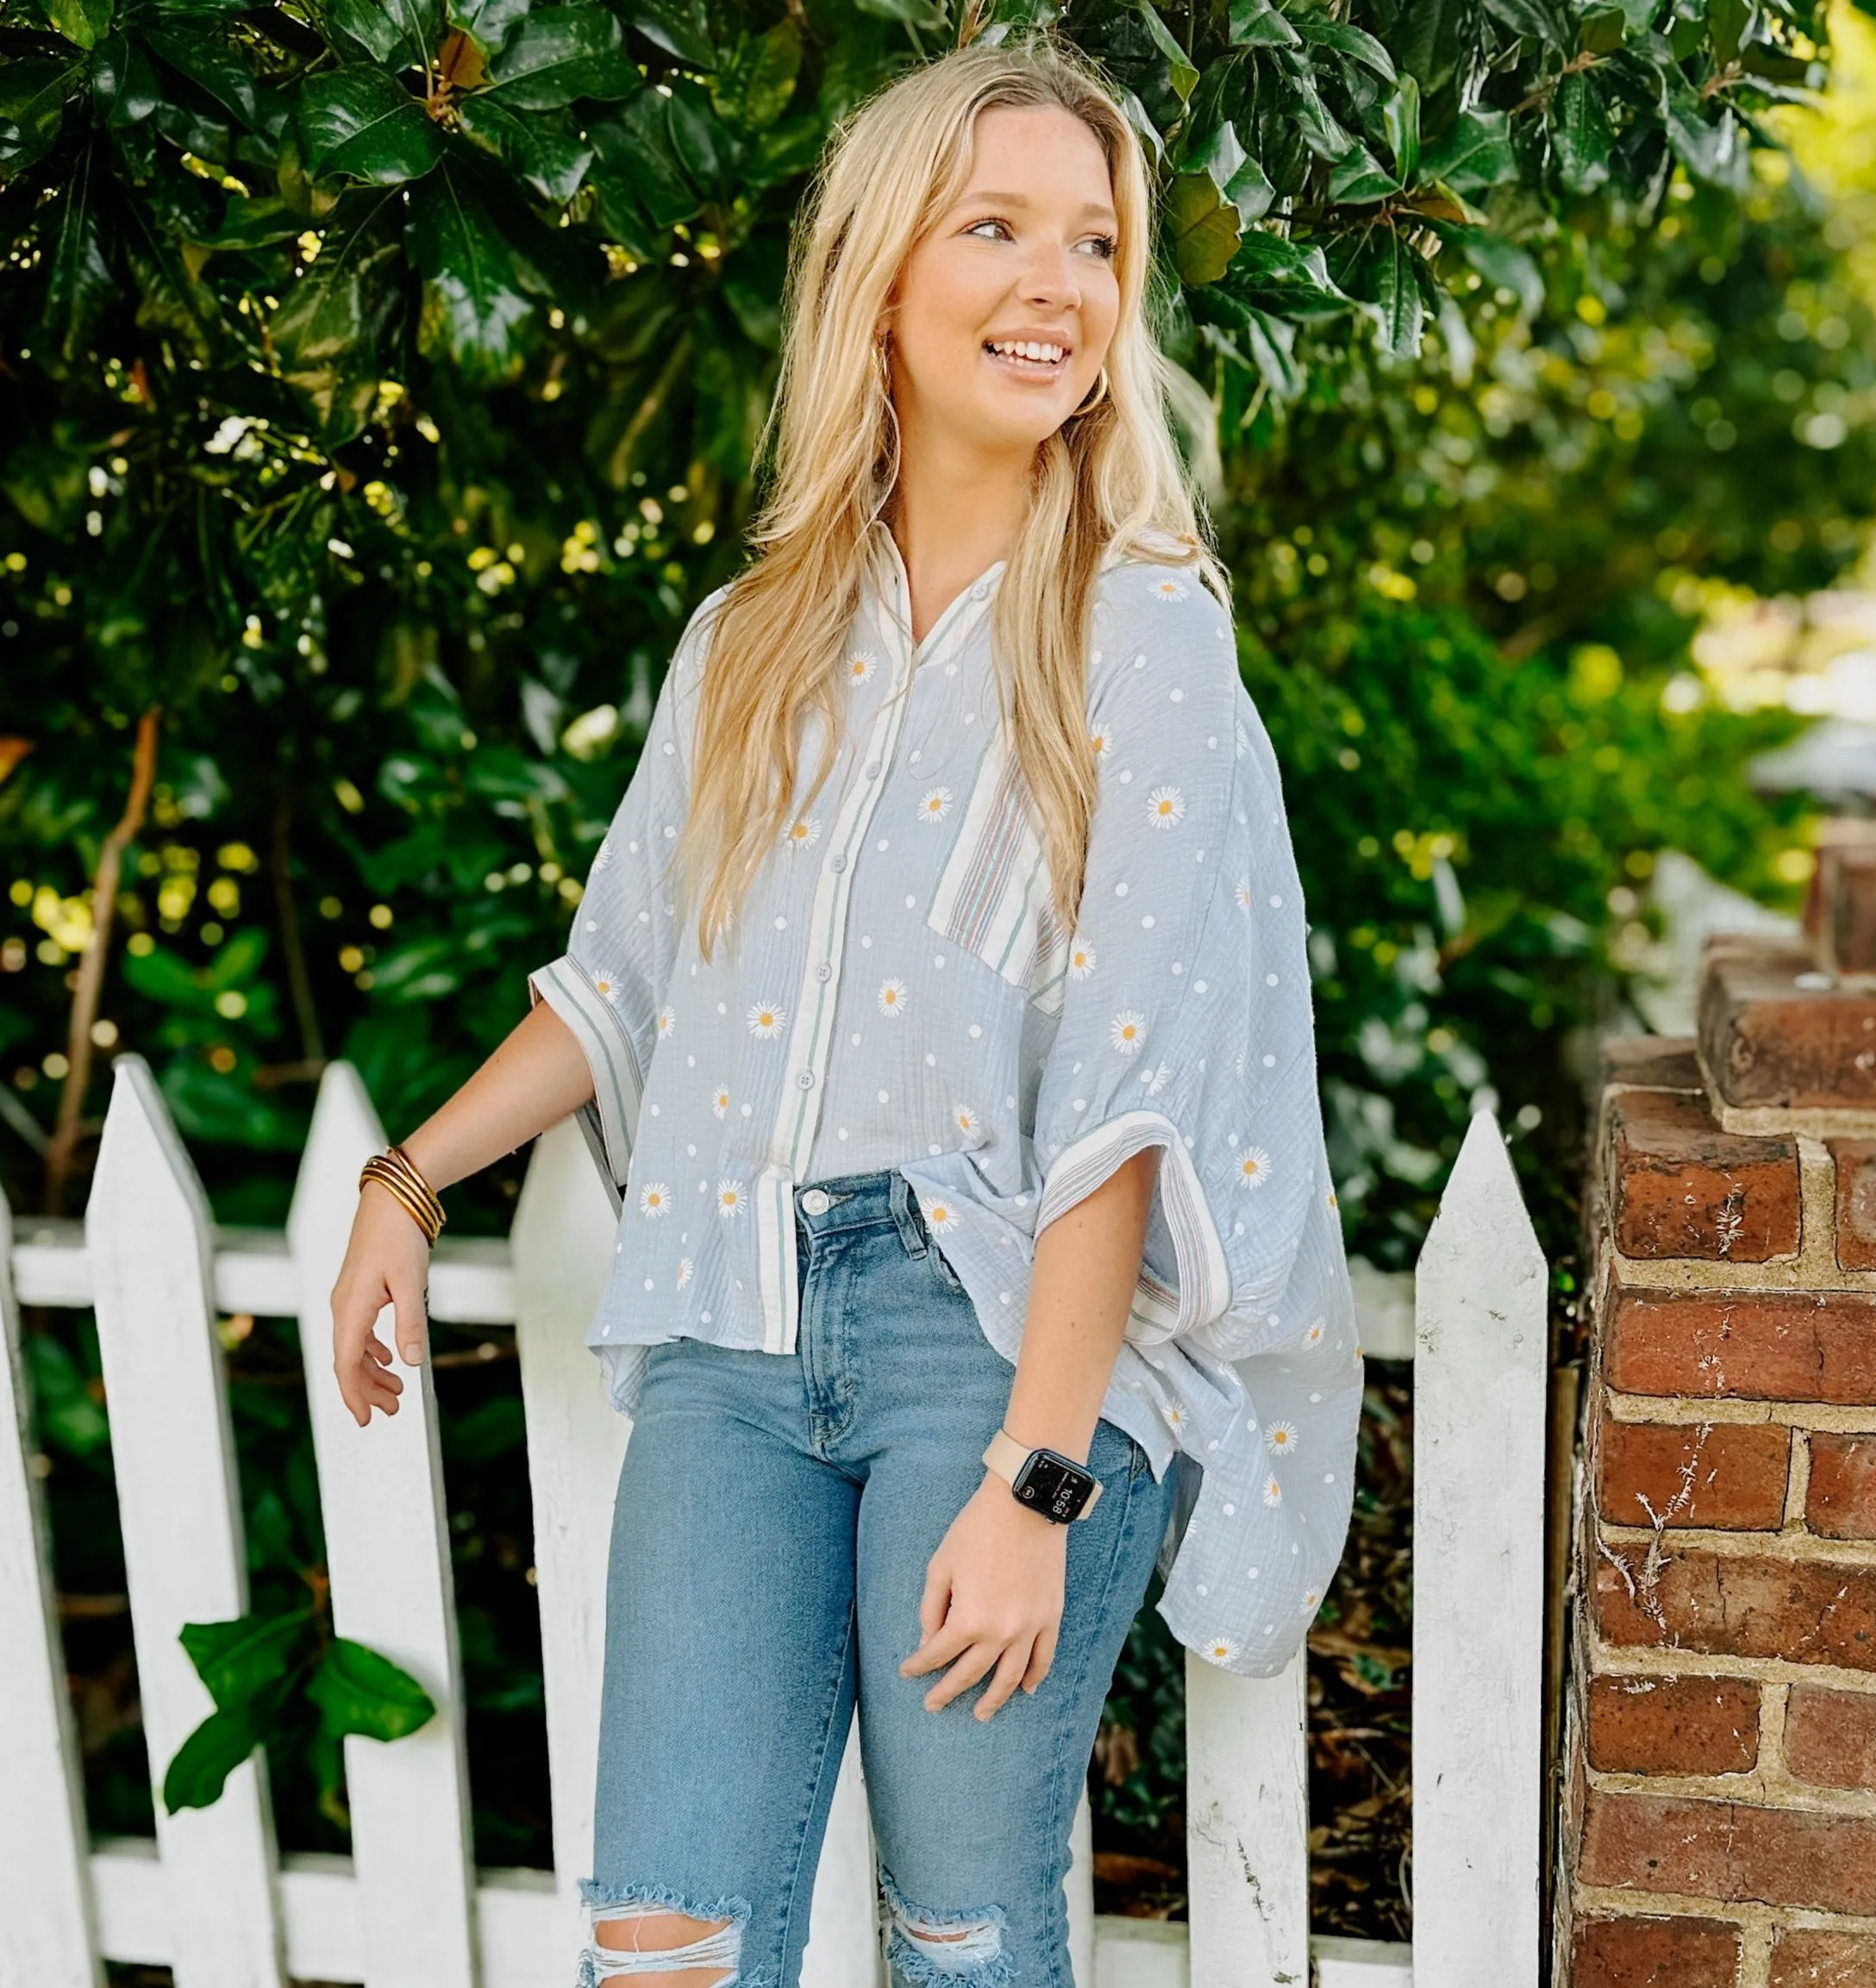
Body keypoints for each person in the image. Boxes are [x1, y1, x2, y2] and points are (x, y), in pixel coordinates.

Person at [328, 35, 1362, 1988]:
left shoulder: (1141, 632)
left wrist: (1040, 1470)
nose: (1056, 284)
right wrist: (408, 1173)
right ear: (880, 276)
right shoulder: (749, 641)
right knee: (663, 1939)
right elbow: (625, 981)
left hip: (988, 1338)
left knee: (958, 1936)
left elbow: (1130, 1098)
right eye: (996, 228)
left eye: (1094, 242)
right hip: (731, 1321)